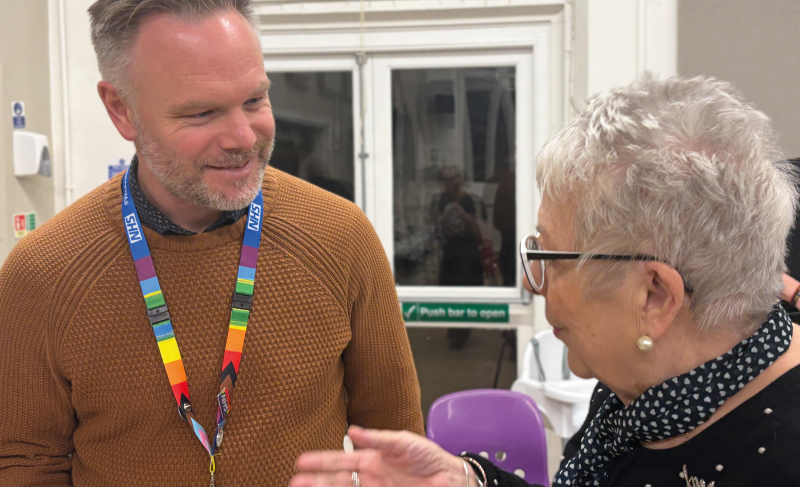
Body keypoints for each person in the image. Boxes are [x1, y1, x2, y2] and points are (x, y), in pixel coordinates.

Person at [289, 75, 800, 487]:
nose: (534, 283)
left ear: (654, 296)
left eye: (551, 256)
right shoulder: (652, 392)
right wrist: (467, 482)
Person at [0, 1, 423, 485]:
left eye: (254, 101)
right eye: (201, 112)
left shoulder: (340, 236)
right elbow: (25, 463)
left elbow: (396, 442)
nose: (243, 137)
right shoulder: (44, 272)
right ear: (122, 110)